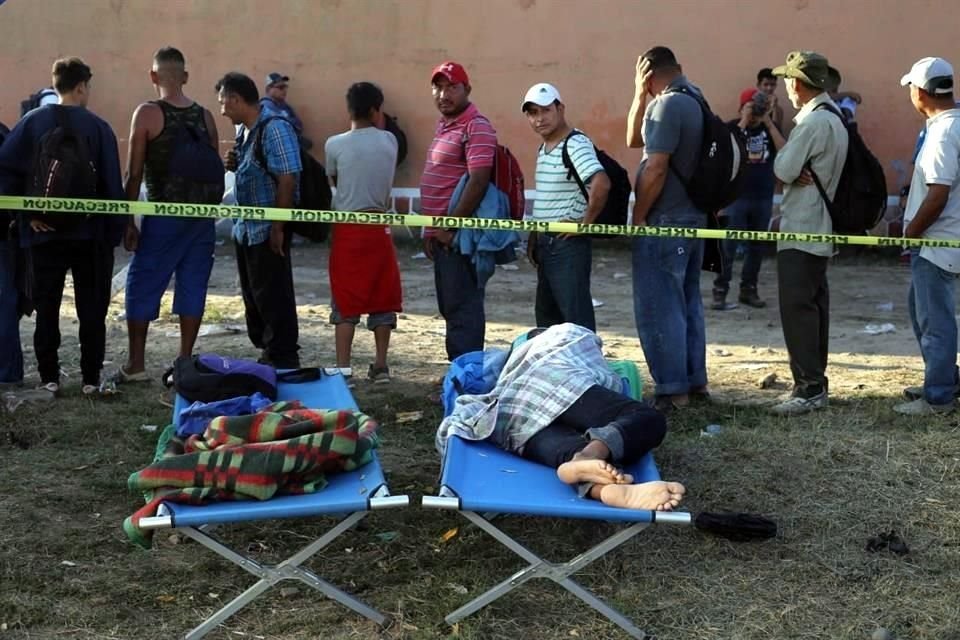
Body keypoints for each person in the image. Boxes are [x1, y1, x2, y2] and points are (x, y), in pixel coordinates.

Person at [437, 323, 685, 511]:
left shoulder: (509, 373)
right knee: (646, 417)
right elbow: (610, 382)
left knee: (566, 452)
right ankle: (591, 453)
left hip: (512, 415)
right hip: (557, 382)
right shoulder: (566, 335)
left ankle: (603, 488)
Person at [0, 57, 125, 396]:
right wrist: (115, 232)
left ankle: (49, 378)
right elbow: (113, 186)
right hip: (90, 235)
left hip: (44, 236)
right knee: (91, 309)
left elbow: (5, 172)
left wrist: (27, 216)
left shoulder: (30, 123)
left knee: (47, 309)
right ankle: (89, 379)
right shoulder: (98, 128)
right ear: (82, 86)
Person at [119, 47, 220, 383]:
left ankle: (136, 364)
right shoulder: (205, 116)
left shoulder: (147, 113)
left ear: (153, 77)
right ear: (186, 77)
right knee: (193, 286)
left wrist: (128, 220)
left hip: (163, 215)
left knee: (143, 283)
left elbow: (134, 174)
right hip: (202, 218)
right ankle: (185, 360)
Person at [625, 46, 708, 412]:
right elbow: (635, 139)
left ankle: (673, 392)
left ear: (647, 72)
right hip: (695, 218)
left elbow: (655, 166)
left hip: (666, 219)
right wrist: (640, 96)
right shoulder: (696, 99)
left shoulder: (667, 105)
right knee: (688, 302)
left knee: (660, 306)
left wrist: (639, 216)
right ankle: (694, 381)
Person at [770, 51, 848, 415]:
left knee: (798, 310)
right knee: (814, 309)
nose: (786, 86)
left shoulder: (814, 123)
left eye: (788, 79)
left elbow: (784, 168)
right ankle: (815, 384)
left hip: (802, 229)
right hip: (822, 229)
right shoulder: (835, 117)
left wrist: (793, 165)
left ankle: (808, 388)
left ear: (798, 84)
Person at [216, 72, 302, 368]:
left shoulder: (274, 128)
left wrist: (278, 226)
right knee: (255, 295)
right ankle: (267, 350)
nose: (222, 110)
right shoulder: (245, 130)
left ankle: (283, 355)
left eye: (223, 102)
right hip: (246, 228)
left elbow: (288, 178)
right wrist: (234, 162)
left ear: (236, 98)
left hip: (267, 228)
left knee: (274, 294)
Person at [324, 82, 402, 384]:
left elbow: (335, 179)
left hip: (347, 228)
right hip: (378, 226)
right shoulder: (389, 142)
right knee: (382, 293)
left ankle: (343, 366)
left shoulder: (333, 144)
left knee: (345, 296)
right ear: (375, 110)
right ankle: (380, 365)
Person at [419, 61, 497, 361]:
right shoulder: (446, 125)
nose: (444, 94)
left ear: (467, 89)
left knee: (463, 308)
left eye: (452, 87)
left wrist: (450, 227)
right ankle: (460, 372)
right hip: (443, 236)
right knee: (451, 306)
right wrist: (431, 230)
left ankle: (468, 376)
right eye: (438, 87)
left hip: (460, 239)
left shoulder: (475, 125)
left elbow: (478, 179)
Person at [896, 57, 960, 415]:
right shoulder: (954, 124)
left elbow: (938, 193)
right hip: (946, 238)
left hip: (936, 242)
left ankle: (938, 397)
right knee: (920, 310)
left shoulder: (942, 132)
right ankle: (944, 378)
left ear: (920, 92)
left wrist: (912, 232)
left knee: (935, 322)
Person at [522, 82, 610, 332]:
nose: (539, 119)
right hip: (547, 244)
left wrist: (585, 224)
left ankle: (585, 369)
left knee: (575, 322)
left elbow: (601, 183)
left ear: (560, 109)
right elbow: (547, 198)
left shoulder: (574, 143)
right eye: (532, 113)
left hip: (567, 246)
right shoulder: (545, 148)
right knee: (548, 321)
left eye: (545, 110)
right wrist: (535, 236)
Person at [712, 88, 786, 310]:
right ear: (741, 107)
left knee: (757, 247)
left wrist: (769, 121)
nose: (754, 113)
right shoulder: (732, 128)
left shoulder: (769, 130)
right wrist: (743, 122)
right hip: (735, 197)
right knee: (727, 247)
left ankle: (748, 290)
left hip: (762, 196)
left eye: (757, 108)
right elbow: (724, 151)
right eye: (750, 107)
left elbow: (785, 151)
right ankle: (720, 290)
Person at [260, 72, 311, 149]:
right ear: (268, 89)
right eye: (280, 87)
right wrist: (290, 122)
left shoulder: (284, 105)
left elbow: (299, 125)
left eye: (285, 87)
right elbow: (280, 128)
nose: (284, 90)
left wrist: (288, 122)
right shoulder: (265, 106)